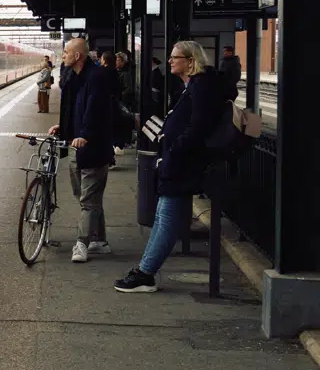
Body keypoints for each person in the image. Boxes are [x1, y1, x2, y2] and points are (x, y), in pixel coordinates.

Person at [115, 42, 238, 292]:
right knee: (164, 217)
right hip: (179, 161)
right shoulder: (194, 85)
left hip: (183, 163)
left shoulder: (201, 86)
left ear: (191, 61)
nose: (169, 61)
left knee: (167, 219)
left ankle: (145, 274)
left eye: (175, 57)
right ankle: (144, 271)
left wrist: (174, 150)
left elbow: (198, 127)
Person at [49, 37, 114, 262]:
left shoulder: (97, 77)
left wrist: (85, 134)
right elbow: (72, 109)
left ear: (77, 56)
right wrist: (64, 127)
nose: (63, 55)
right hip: (75, 145)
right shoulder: (72, 77)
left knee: (88, 199)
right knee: (86, 197)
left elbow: (96, 110)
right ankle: (100, 241)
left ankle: (81, 243)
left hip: (94, 147)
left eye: (66, 52)